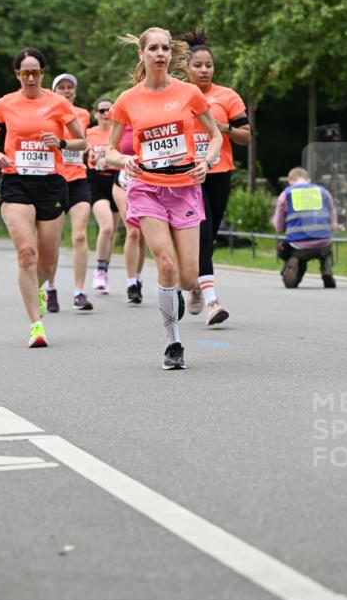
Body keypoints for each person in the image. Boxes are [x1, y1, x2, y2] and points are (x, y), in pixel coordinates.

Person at [106, 27, 222, 370]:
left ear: (171, 55)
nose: (159, 54)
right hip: (146, 188)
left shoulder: (188, 93)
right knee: (165, 265)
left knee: (187, 275)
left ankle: (189, 291)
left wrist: (206, 161)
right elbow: (109, 151)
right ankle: (174, 344)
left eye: (164, 49)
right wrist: (124, 159)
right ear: (141, 54)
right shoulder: (128, 100)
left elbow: (215, 137)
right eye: (153, 48)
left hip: (184, 186)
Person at [0, 47, 87, 348]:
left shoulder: (58, 104)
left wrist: (62, 141)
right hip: (16, 182)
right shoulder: (5, 104)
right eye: (24, 72)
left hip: (51, 184)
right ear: (17, 75)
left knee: (47, 259)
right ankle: (35, 325)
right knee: (26, 252)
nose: (30, 77)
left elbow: (81, 142)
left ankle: (38, 288)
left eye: (35, 72)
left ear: (43, 73)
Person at [181, 29, 251, 325]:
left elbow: (246, 137)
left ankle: (196, 283)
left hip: (219, 173)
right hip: (187, 175)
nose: (204, 70)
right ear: (186, 68)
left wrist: (224, 130)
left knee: (209, 237)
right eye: (197, 65)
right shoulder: (178, 96)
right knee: (204, 231)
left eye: (208, 65)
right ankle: (212, 301)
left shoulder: (227, 96)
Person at [44, 73, 93, 312]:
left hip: (78, 179)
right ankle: (50, 288)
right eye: (61, 87)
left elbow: (85, 141)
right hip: (53, 181)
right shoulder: (45, 113)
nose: (66, 91)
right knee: (52, 241)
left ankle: (79, 292)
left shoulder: (82, 114)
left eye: (70, 87)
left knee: (80, 236)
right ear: (53, 91)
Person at [272, 167, 337, 288]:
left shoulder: (286, 194)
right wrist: (332, 226)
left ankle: (294, 269)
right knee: (327, 252)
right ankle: (326, 269)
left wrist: (280, 227)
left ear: (290, 180)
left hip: (298, 244)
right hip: (323, 242)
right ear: (309, 180)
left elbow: (279, 218)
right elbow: (332, 211)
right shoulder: (323, 192)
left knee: (291, 252)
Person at [110, 123, 147, 304]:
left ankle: (138, 278)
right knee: (133, 231)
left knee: (143, 235)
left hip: (148, 185)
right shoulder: (120, 125)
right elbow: (111, 153)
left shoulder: (151, 121)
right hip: (123, 184)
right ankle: (131, 283)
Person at [86, 98, 120, 293]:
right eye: (101, 110)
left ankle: (104, 270)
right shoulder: (89, 133)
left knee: (112, 231)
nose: (106, 114)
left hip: (116, 180)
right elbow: (80, 153)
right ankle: (99, 270)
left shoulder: (118, 132)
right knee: (106, 226)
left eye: (109, 110)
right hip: (95, 181)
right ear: (95, 113)